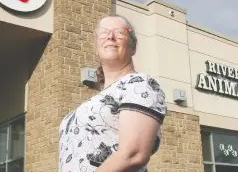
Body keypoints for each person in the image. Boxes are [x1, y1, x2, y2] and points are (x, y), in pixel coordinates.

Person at [58, 13, 167, 172]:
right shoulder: (95, 100)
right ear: (96, 47)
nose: (110, 37)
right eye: (104, 32)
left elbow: (133, 154)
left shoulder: (140, 84)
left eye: (120, 32)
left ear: (133, 47)